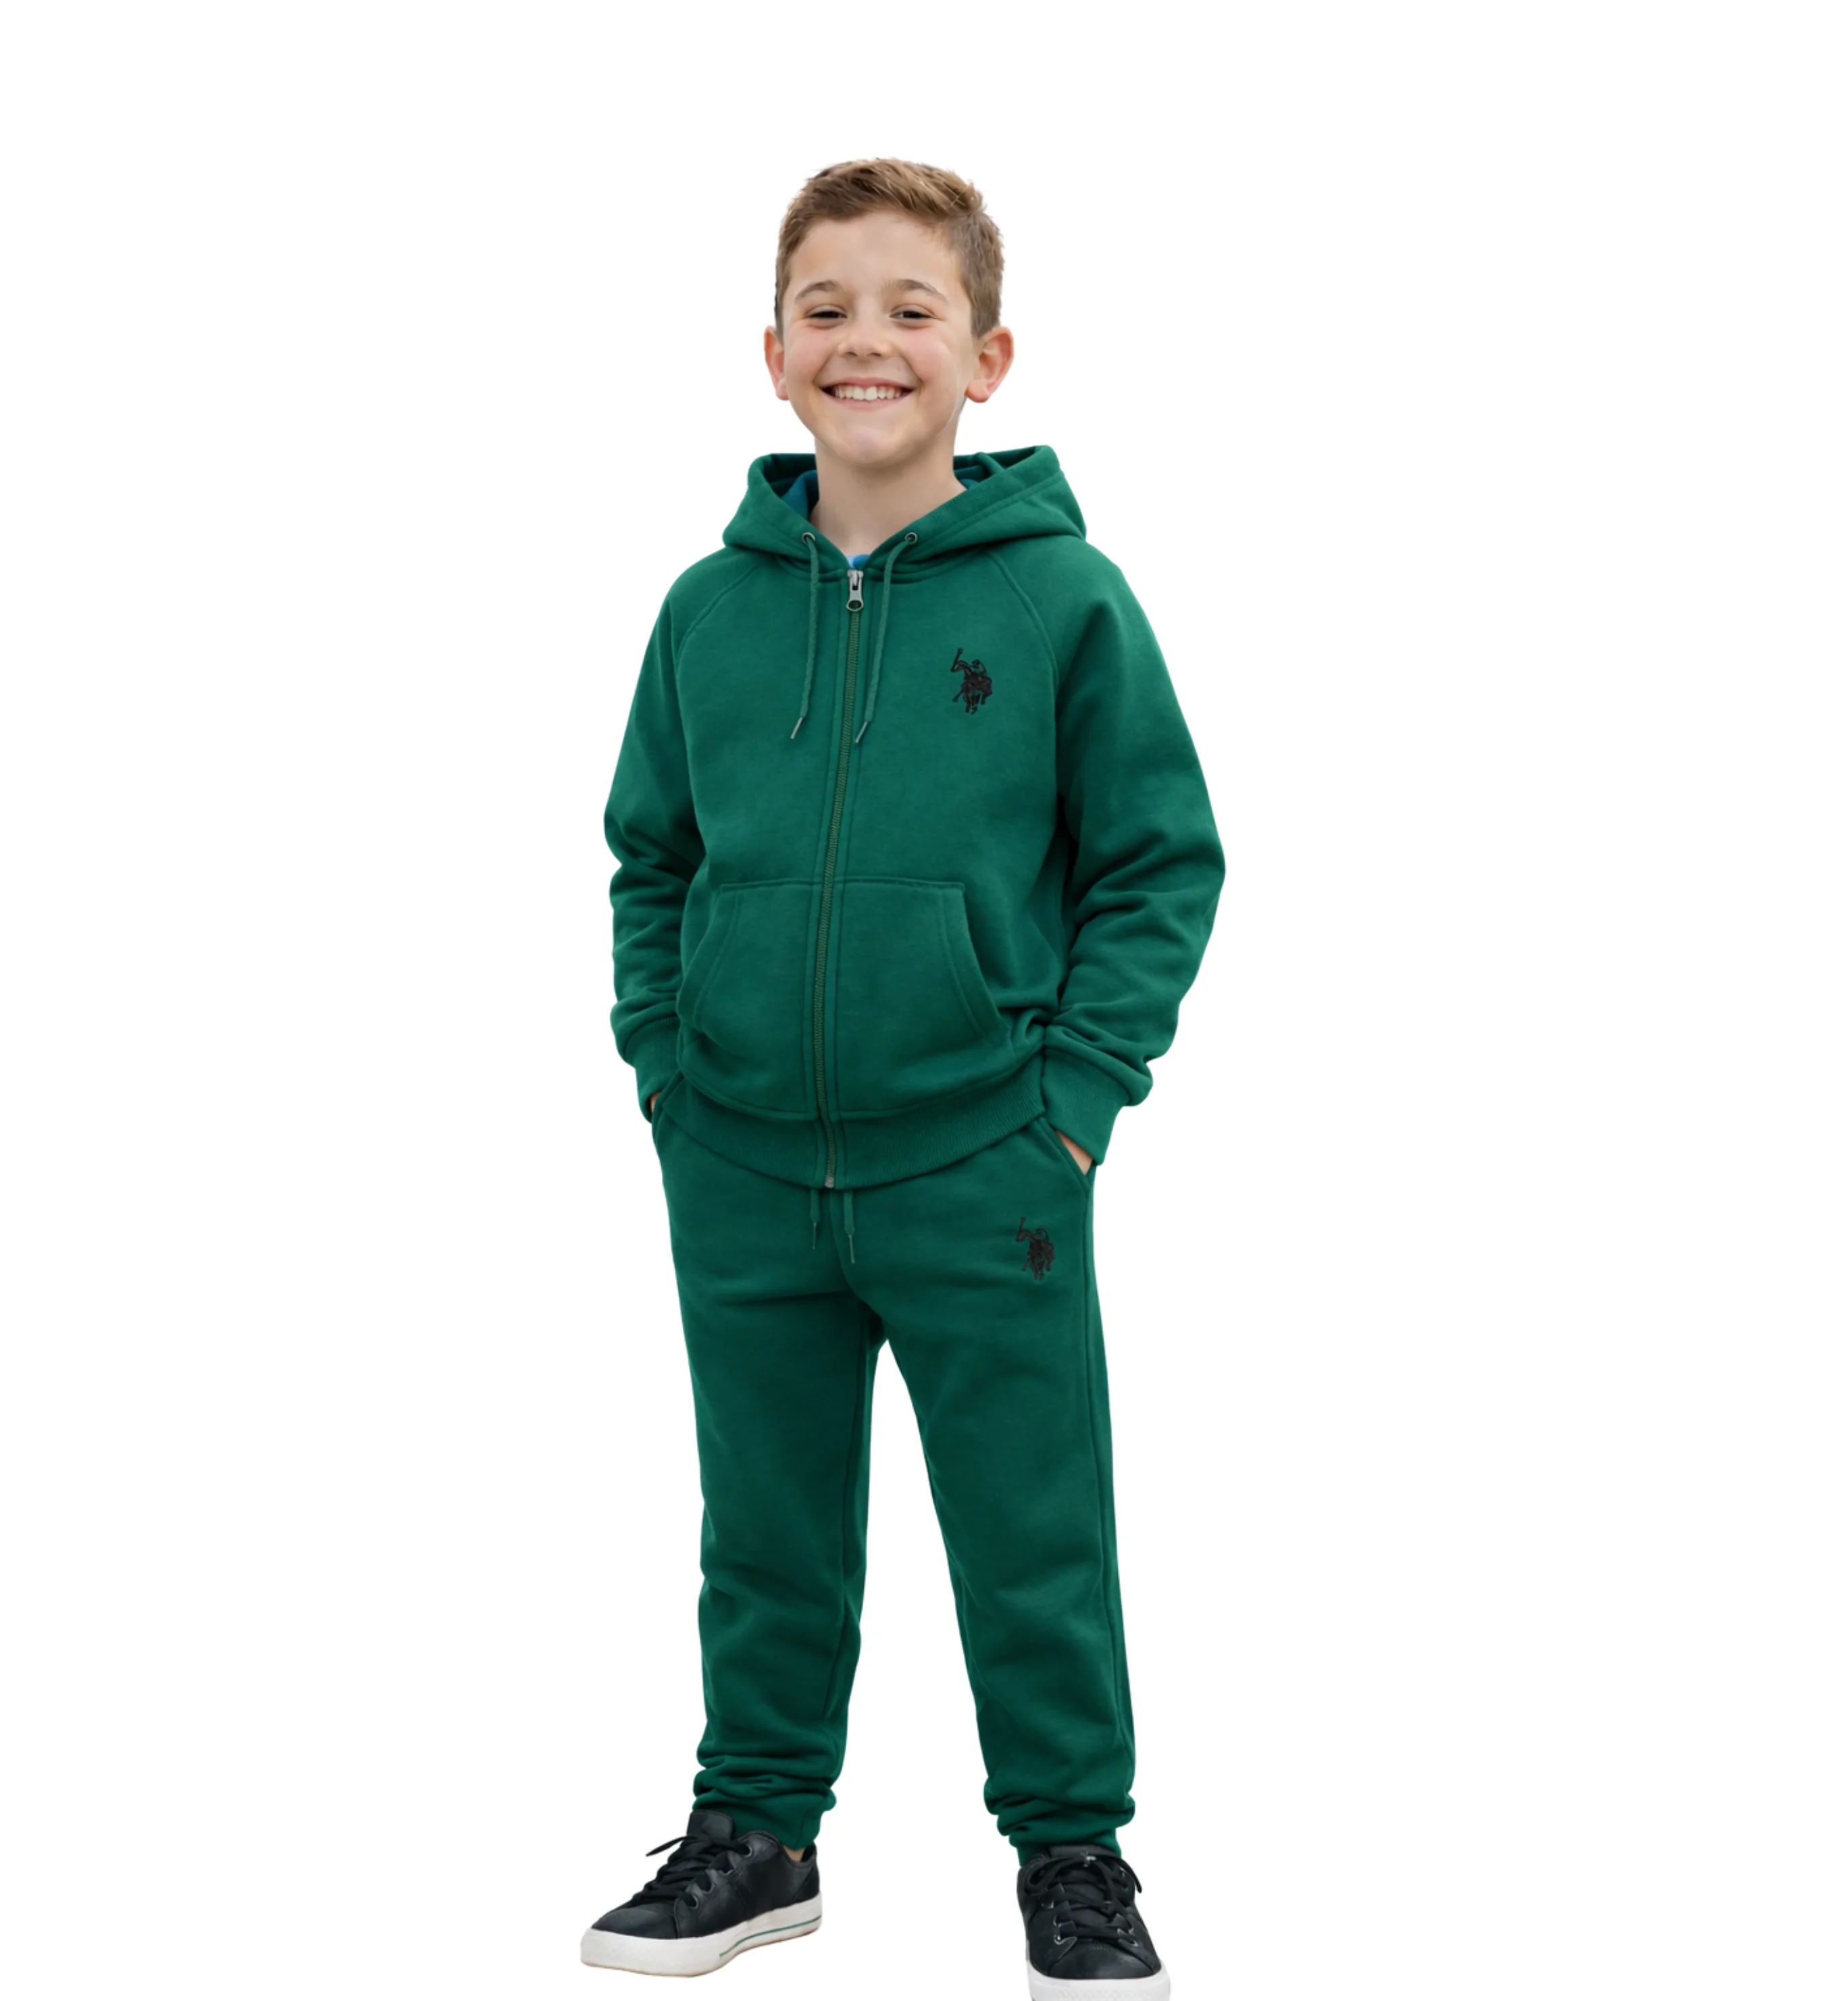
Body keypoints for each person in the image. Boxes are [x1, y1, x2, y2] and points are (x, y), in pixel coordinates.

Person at [591, 157, 1225, 1998]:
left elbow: (1158, 863)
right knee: (764, 1523)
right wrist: (665, 1064)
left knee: (1033, 1524)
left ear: (986, 356)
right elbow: (652, 855)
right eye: (827, 308)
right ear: (773, 352)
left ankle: (1072, 1852)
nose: (864, 341)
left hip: (983, 1160)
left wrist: (1074, 1099)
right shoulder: (705, 612)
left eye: (909, 309)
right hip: (740, 1159)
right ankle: (756, 1833)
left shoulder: (1063, 600)